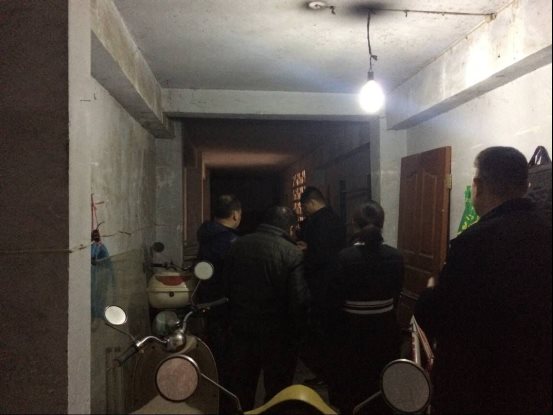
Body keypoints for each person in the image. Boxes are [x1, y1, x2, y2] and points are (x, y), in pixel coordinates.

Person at [415, 146, 552, 414]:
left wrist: (431, 289)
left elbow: (437, 315)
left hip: (479, 386)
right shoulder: (546, 232)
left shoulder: (473, 243)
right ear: (525, 185)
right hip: (535, 382)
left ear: (478, 186)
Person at [224, 206, 310, 410]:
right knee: (278, 391)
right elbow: (299, 300)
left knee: (242, 387)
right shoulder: (292, 253)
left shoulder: (238, 245)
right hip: (278, 334)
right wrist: (300, 333)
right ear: (291, 228)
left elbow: (225, 286)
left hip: (242, 330)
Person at [326, 200, 404, 414]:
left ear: (354, 225)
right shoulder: (396, 257)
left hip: (352, 333)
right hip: (385, 331)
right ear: (382, 224)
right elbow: (396, 295)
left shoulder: (344, 258)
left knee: (353, 390)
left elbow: (332, 303)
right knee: (381, 388)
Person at [297, 186, 346, 385]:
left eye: (304, 207)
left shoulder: (316, 222)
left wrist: (304, 252)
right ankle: (333, 371)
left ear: (311, 202)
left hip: (319, 283)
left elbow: (319, 255)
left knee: (319, 331)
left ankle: (324, 373)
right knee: (331, 330)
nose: (303, 211)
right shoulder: (337, 219)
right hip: (336, 282)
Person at [196, 195, 241, 375]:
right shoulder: (230, 241)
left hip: (208, 301)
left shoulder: (206, 235)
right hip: (226, 305)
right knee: (227, 358)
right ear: (235, 215)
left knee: (214, 352)